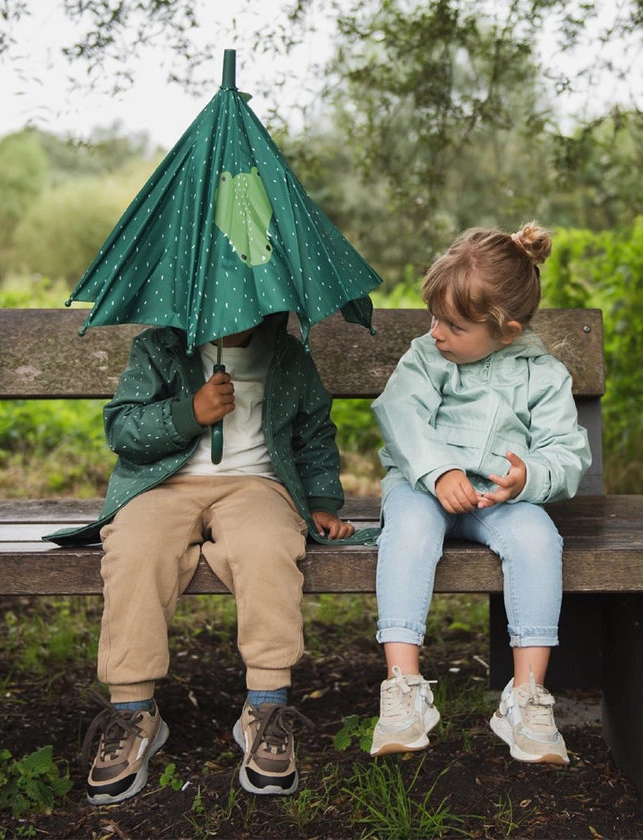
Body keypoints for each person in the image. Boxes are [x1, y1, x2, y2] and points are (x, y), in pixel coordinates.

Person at [46, 312, 359, 804]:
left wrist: (322, 501)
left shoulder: (288, 355)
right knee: (136, 551)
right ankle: (133, 710)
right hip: (161, 485)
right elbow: (123, 430)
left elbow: (314, 430)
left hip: (257, 486)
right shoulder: (158, 348)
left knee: (268, 549)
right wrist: (189, 412)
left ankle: (266, 707)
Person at [368, 223, 592, 764]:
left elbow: (568, 451)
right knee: (410, 531)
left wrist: (528, 477)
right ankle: (403, 689)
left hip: (499, 499)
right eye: (435, 318)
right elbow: (400, 412)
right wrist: (440, 470)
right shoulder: (428, 356)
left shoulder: (544, 375)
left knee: (539, 538)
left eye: (454, 325)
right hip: (424, 488)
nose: (437, 332)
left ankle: (527, 698)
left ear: (508, 331)